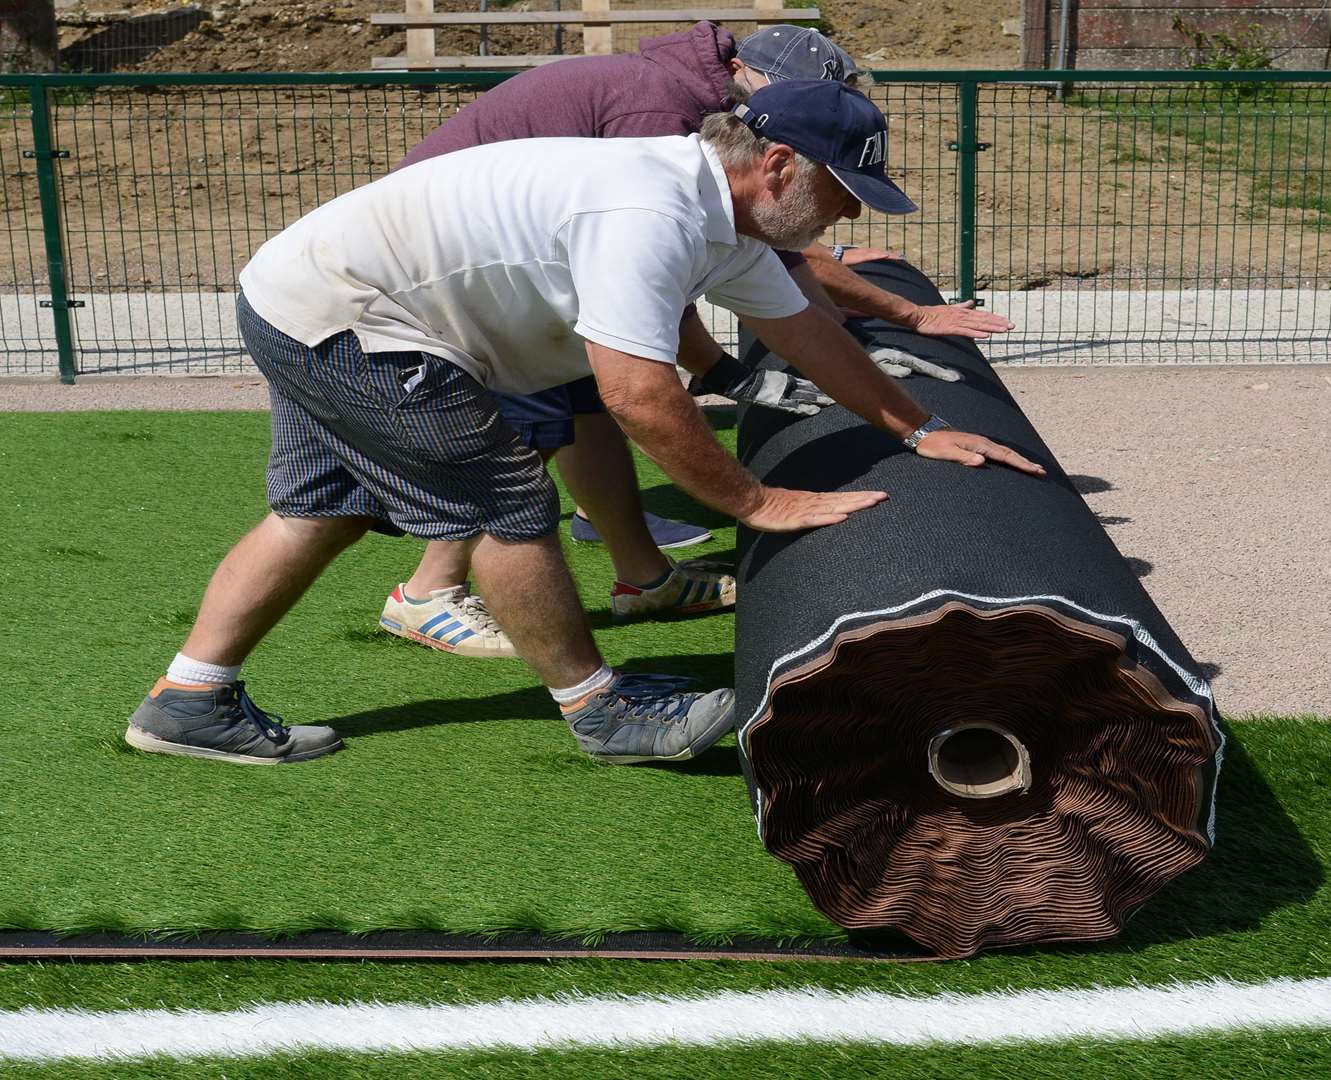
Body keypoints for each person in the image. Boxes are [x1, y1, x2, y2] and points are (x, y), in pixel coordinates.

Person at [124, 79, 1044, 768]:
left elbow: (806, 332)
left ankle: (188, 699)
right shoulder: (647, 209)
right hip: (352, 313)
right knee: (507, 503)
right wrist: (755, 502)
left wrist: (919, 430)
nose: (843, 216)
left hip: (306, 296)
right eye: (843, 195)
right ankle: (603, 714)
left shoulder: (726, 219)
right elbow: (638, 397)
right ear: (776, 167)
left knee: (320, 509)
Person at [377, 22, 1014, 659]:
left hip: (512, 270)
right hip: (440, 278)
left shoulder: (716, 146)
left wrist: (910, 399)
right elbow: (655, 284)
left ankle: (644, 579)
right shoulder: (659, 128)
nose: (844, 212)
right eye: (837, 192)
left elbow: (768, 261)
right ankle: (435, 593)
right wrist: (746, 463)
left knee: (580, 407)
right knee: (522, 450)